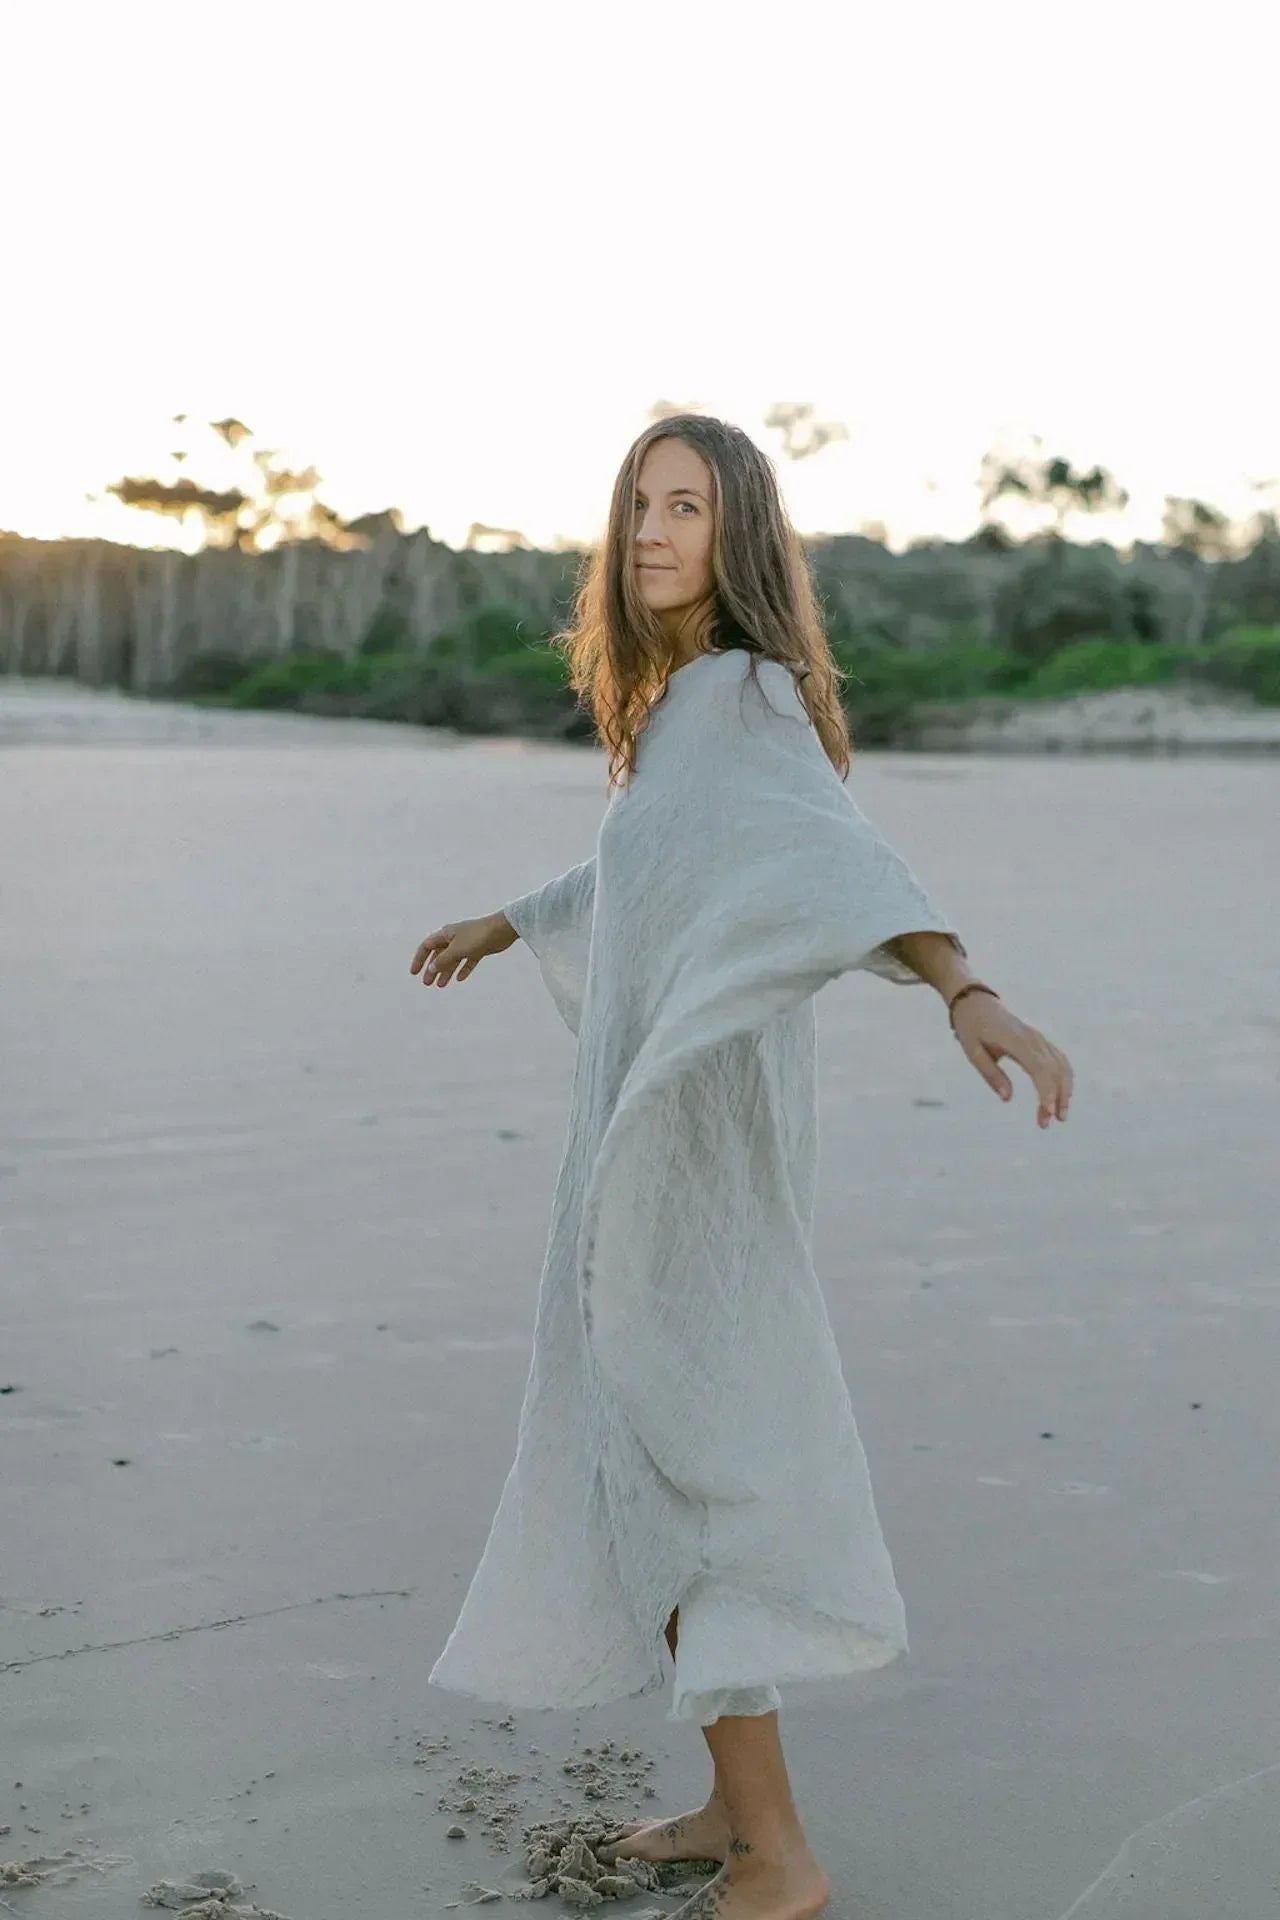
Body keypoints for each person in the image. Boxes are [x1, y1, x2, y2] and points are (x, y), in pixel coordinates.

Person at [410, 415, 1073, 1920]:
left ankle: (782, 1853)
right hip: (656, 1129)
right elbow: (650, 869)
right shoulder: (691, 708)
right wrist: (509, 918)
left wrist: (966, 990)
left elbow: (841, 865)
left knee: (677, 1451)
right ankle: (731, 1805)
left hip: (690, 1145)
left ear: (741, 532)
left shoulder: (744, 698)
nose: (650, 534)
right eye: (638, 504)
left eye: (687, 508)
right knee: (654, 1437)